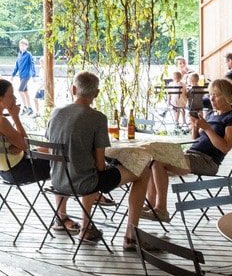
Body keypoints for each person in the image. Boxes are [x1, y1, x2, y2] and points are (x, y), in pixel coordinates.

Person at [46, 71, 153, 250]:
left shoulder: (56, 113)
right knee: (142, 171)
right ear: (96, 93)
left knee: (81, 167)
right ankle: (130, 236)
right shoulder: (97, 118)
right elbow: (99, 164)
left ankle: (83, 225)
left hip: (57, 181)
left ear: (74, 90)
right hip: (84, 183)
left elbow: (52, 146)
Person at [0, 78, 73, 231]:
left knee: (57, 151)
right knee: (64, 162)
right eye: (11, 95)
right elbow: (25, 144)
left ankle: (75, 206)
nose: (15, 98)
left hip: (5, 170)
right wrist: (15, 116)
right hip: (19, 171)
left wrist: (20, 147)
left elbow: (22, 146)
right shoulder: (0, 122)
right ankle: (62, 217)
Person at [145, 77, 232, 221]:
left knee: (158, 162)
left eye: (216, 95)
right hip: (192, 154)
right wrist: (195, 127)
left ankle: (161, 209)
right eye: (210, 95)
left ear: (227, 97)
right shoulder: (211, 114)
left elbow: (225, 147)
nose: (211, 99)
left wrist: (207, 128)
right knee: (151, 160)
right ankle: (151, 204)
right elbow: (196, 139)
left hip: (207, 161)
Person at [11, 38, 37, 116]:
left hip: (26, 75)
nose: (22, 47)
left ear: (26, 46)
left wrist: (33, 75)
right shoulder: (19, 54)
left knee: (20, 90)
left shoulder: (28, 54)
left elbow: (32, 65)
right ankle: (30, 108)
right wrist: (13, 75)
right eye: (21, 45)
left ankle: (25, 107)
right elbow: (17, 66)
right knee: (25, 92)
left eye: (23, 45)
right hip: (21, 75)